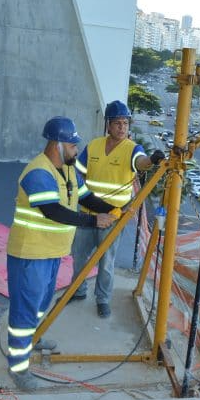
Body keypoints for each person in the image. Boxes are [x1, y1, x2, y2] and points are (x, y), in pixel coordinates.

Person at [5, 116, 117, 391]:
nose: (76, 150)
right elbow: (53, 211)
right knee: (25, 309)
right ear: (57, 145)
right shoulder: (38, 173)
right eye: (72, 145)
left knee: (42, 303)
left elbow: (85, 197)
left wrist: (112, 210)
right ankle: (18, 368)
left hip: (51, 253)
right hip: (29, 255)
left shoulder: (67, 170)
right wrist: (94, 221)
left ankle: (33, 337)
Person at [70, 100, 165, 318]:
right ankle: (78, 291)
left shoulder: (132, 149)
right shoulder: (93, 146)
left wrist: (152, 160)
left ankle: (102, 300)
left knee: (106, 262)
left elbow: (140, 162)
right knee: (79, 256)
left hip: (113, 217)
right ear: (108, 125)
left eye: (125, 123)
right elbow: (79, 173)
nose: (123, 127)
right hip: (87, 213)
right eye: (118, 123)